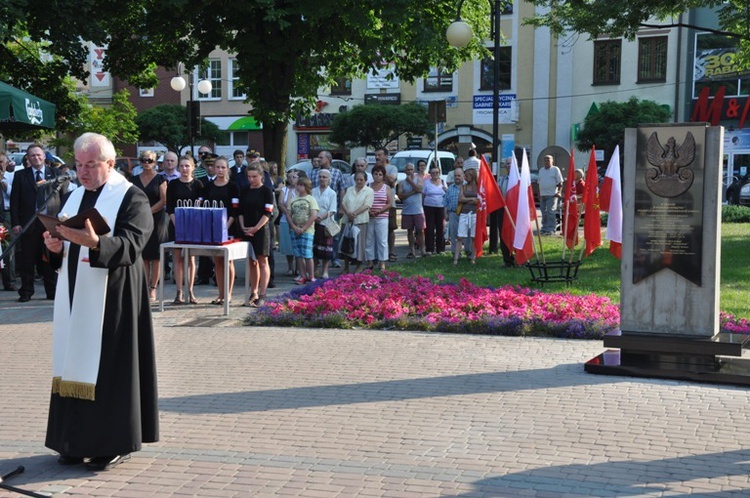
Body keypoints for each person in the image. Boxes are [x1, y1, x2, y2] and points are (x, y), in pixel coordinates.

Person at [42, 132, 158, 471]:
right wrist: (55, 248)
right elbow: (64, 242)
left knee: (110, 369)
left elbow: (133, 244)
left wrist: (96, 244)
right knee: (73, 361)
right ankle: (74, 441)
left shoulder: (131, 197)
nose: (83, 172)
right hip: (76, 294)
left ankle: (113, 443)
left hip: (115, 296)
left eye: (90, 165)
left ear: (110, 163)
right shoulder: (74, 196)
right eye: (78, 165)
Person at [10, 144, 67, 302]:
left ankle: (52, 291)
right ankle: (26, 292)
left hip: (50, 223)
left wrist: (63, 220)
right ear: (28, 158)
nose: (36, 158)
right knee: (27, 259)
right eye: (32, 155)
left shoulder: (56, 174)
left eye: (39, 155)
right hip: (29, 223)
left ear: (44, 156)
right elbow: (15, 202)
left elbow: (63, 198)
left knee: (50, 258)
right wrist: (16, 223)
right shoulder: (20, 175)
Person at [166, 156, 204, 304]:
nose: (184, 169)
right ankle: (179, 292)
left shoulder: (198, 184)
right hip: (176, 224)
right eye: (181, 166)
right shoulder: (173, 184)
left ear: (193, 167)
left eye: (187, 166)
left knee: (191, 259)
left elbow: (201, 207)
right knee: (177, 258)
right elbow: (169, 206)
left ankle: (190, 291)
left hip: (193, 225)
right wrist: (178, 223)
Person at [132, 150, 169, 302]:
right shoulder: (134, 179)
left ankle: (153, 288)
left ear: (155, 162)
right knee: (144, 255)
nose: (147, 163)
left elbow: (164, 200)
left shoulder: (161, 179)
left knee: (156, 256)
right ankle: (144, 286)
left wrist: (149, 211)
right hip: (140, 220)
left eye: (150, 160)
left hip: (157, 220)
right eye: (144, 160)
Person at [203, 156, 240, 304]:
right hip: (212, 228)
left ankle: (229, 294)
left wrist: (226, 225)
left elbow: (235, 210)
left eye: (223, 167)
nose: (219, 170)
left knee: (228, 261)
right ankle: (220, 294)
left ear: (227, 169)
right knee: (217, 261)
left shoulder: (233, 187)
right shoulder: (208, 186)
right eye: (217, 167)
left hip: (228, 227)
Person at [238, 162, 274, 307]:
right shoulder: (245, 190)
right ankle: (254, 292)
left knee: (262, 261)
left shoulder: (266, 191)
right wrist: (242, 226)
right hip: (246, 229)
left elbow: (268, 213)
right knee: (251, 262)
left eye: (254, 176)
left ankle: (263, 293)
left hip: (261, 230)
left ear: (261, 176)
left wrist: (256, 228)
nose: (251, 179)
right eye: (249, 176)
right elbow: (239, 210)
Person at [340, 170, 373, 274]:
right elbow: (343, 202)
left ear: (365, 180)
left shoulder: (369, 191)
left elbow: (367, 205)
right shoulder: (349, 189)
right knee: (346, 243)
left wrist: (354, 214)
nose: (359, 182)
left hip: (360, 221)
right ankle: (346, 267)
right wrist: (348, 213)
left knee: (359, 244)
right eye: (357, 179)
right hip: (347, 221)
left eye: (361, 180)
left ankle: (358, 266)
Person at [287, 177, 318, 284]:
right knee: (298, 254)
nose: (299, 187)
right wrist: (294, 227)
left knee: (307, 253)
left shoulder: (311, 199)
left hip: (307, 231)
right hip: (294, 231)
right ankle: (302, 275)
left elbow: (313, 215)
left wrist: (304, 228)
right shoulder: (293, 200)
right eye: (298, 185)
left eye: (301, 185)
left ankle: (312, 276)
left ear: (306, 187)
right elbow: (289, 215)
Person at [366, 164, 393, 272]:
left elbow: (390, 203)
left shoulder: (386, 188)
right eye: (375, 174)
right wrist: (369, 211)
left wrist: (379, 211)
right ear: (372, 175)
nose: (377, 176)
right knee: (369, 241)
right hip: (369, 217)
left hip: (382, 217)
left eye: (380, 174)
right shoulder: (367, 186)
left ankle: (382, 263)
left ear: (383, 176)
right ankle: (370, 262)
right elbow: (363, 201)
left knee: (382, 241)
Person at [374, 147, 398, 262]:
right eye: (376, 155)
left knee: (390, 229)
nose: (377, 157)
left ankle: (391, 252)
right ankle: (376, 254)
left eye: (380, 155)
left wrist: (382, 170)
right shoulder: (373, 168)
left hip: (389, 204)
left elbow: (392, 180)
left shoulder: (392, 168)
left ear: (386, 156)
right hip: (375, 204)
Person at [312, 169, 337, 279]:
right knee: (315, 247)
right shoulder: (313, 191)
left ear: (329, 179)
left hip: (326, 223)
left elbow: (332, 210)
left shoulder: (332, 193)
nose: (322, 179)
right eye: (320, 177)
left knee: (326, 249)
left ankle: (325, 270)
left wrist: (321, 217)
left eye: (324, 177)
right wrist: (314, 217)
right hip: (313, 222)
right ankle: (315, 269)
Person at [396, 162, 425, 259]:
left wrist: (411, 182)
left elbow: (420, 189)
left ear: (414, 170)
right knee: (409, 231)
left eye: (411, 169)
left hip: (418, 210)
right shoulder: (401, 183)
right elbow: (400, 196)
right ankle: (412, 251)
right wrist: (413, 192)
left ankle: (422, 250)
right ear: (405, 171)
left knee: (420, 231)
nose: (409, 171)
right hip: (407, 211)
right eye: (407, 170)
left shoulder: (419, 179)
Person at [0, 151, 18, 290]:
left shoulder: (12, 177)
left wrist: (2, 182)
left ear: (6, 163)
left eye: (1, 162)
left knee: (7, 248)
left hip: (5, 215)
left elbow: (15, 195)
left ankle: (9, 281)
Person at [444, 168, 469, 259]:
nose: (457, 177)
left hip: (465, 214)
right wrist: (445, 213)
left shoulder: (468, 187)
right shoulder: (450, 188)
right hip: (453, 213)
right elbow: (445, 201)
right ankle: (455, 253)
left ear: (463, 176)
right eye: (455, 176)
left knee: (466, 234)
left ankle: (468, 252)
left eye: (459, 175)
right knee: (453, 234)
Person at [455, 167, 479, 265]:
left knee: (473, 237)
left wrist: (468, 198)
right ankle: (455, 259)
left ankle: (473, 258)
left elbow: (479, 200)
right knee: (460, 237)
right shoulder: (463, 187)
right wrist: (471, 199)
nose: (465, 177)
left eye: (467, 176)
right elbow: (460, 199)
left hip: (474, 213)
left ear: (472, 176)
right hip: (464, 213)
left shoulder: (478, 187)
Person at [277, 170, 299, 276]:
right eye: (289, 177)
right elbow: (280, 203)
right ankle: (290, 266)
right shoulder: (284, 190)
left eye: (294, 177)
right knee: (287, 245)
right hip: (285, 219)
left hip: (298, 221)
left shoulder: (300, 190)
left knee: (298, 245)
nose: (291, 179)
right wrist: (287, 213)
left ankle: (299, 268)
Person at [423, 164, 447, 254]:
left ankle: (440, 249)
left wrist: (445, 190)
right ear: (430, 173)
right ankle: (429, 249)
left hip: (440, 207)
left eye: (437, 172)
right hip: (429, 207)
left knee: (440, 227)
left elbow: (447, 195)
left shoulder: (443, 182)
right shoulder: (427, 183)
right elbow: (423, 194)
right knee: (429, 227)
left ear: (439, 173)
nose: (435, 174)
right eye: (433, 172)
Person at [538, 154, 563, 235]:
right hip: (542, 194)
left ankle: (551, 229)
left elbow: (560, 182)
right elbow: (540, 182)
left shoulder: (555, 169)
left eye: (548, 160)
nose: (546, 161)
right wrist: (539, 192)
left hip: (552, 194)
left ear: (552, 161)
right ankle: (544, 228)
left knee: (550, 212)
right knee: (543, 212)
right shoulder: (541, 170)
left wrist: (559, 192)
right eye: (545, 160)